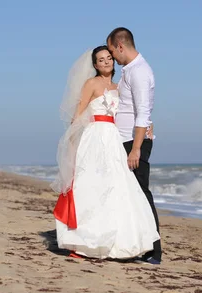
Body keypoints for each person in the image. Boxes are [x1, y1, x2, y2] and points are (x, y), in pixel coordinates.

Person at [51, 46, 160, 260]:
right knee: (91, 185)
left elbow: (131, 111)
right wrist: (73, 144)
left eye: (109, 58)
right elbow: (79, 113)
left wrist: (148, 124)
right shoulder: (90, 84)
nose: (106, 62)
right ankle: (83, 242)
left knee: (115, 187)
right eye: (101, 60)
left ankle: (116, 241)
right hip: (94, 136)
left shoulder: (119, 87)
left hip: (114, 138)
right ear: (95, 65)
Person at [107, 27, 162, 264]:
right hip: (125, 139)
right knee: (129, 196)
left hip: (133, 142)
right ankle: (135, 244)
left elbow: (142, 113)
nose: (112, 57)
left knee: (142, 194)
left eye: (112, 51)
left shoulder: (139, 71)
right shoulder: (129, 70)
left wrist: (137, 148)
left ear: (120, 46)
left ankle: (154, 251)